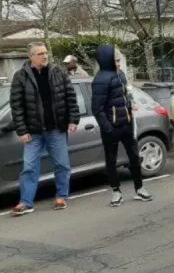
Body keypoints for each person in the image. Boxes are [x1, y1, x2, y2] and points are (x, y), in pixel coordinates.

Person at [9, 42, 79, 215]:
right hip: (33, 132)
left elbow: (70, 96)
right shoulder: (20, 76)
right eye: (40, 53)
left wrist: (73, 120)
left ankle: (61, 196)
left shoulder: (58, 72)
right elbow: (16, 106)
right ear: (31, 57)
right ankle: (26, 202)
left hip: (56, 129)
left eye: (46, 53)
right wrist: (22, 130)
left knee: (62, 164)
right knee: (29, 167)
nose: (45, 56)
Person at [91, 45, 152, 206]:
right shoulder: (99, 80)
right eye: (116, 60)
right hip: (111, 128)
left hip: (127, 124)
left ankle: (139, 189)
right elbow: (96, 109)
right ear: (107, 60)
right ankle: (116, 192)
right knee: (111, 160)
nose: (118, 63)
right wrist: (107, 128)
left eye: (119, 60)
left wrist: (131, 106)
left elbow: (126, 94)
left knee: (134, 156)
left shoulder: (121, 75)